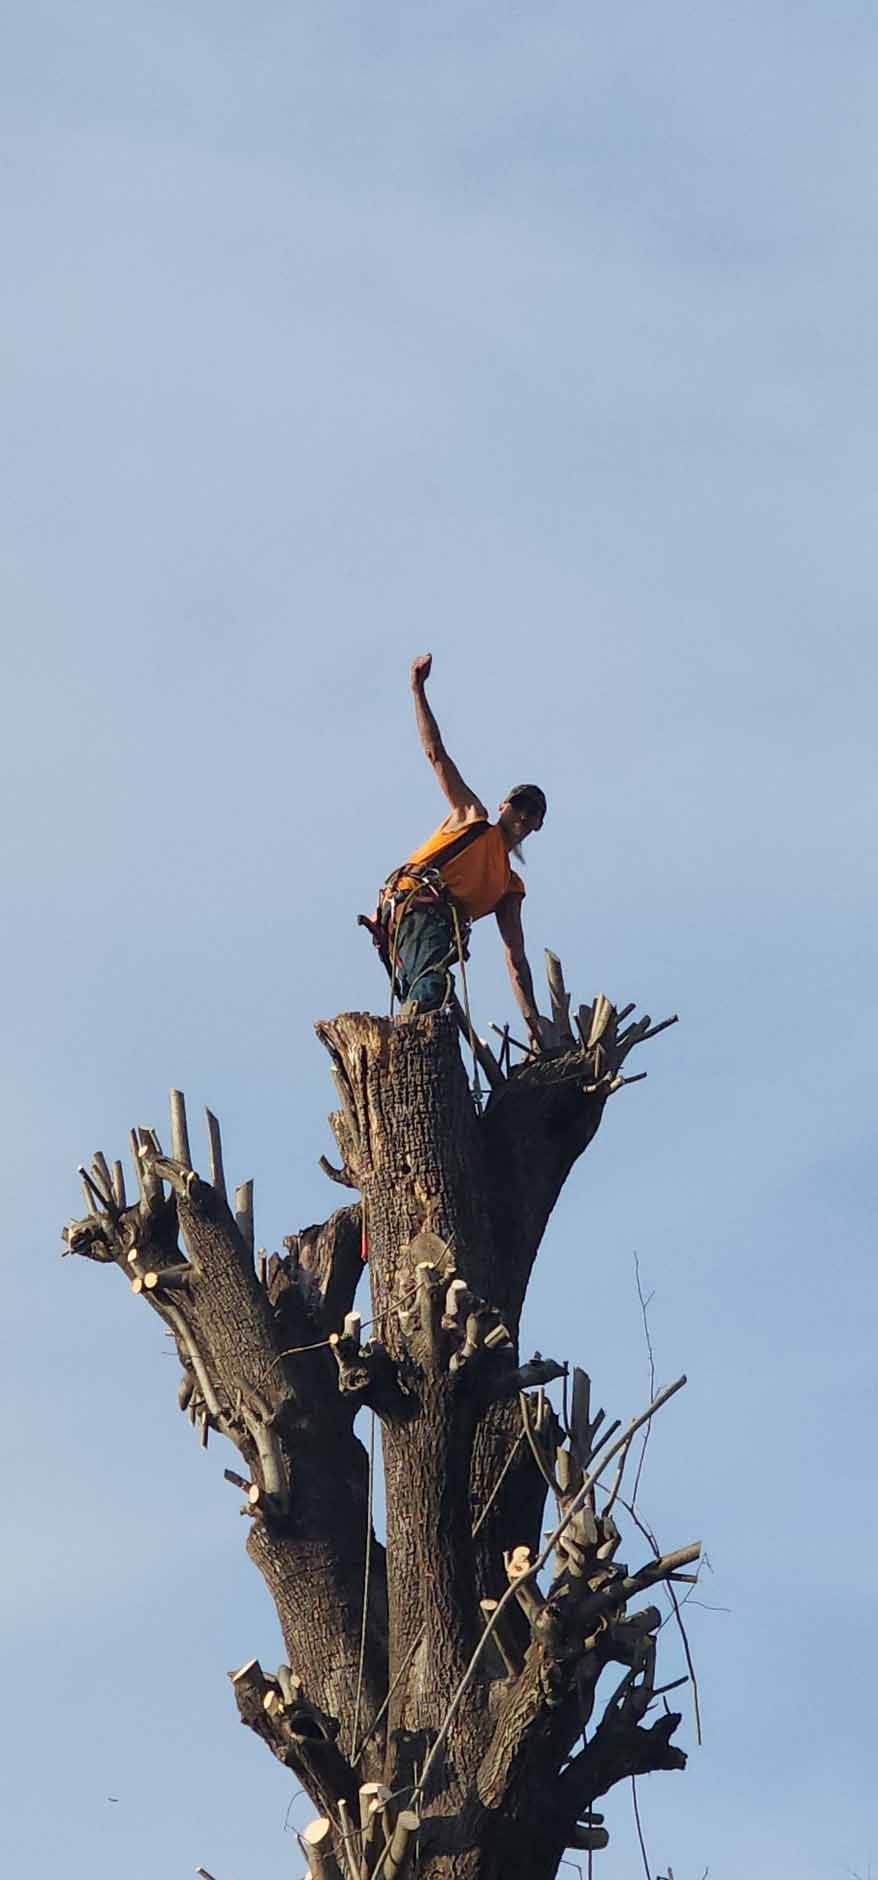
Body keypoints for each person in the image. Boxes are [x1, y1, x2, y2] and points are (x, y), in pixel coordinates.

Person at [376, 653, 547, 1047]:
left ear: (537, 825)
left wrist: (533, 1021)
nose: (524, 815)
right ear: (504, 806)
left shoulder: (509, 884)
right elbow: (436, 755)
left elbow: (516, 959)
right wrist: (418, 689)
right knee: (432, 994)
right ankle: (402, 1052)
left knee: (436, 1006)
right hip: (416, 910)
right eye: (520, 806)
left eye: (533, 813)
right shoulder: (472, 818)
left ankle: (406, 1047)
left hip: (430, 933)